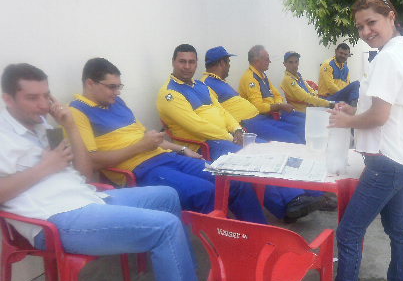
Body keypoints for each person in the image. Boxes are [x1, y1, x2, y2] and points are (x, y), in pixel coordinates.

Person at [0, 63, 229, 281]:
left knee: (167, 196)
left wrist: (70, 125)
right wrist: (45, 167)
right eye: (32, 98)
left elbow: (84, 175)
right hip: (55, 220)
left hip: (88, 197)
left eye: (46, 96)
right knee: (166, 227)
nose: (43, 105)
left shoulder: (44, 125)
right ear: (8, 99)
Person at [307, 0, 403, 281]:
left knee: (348, 232)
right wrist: (353, 112)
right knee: (396, 228)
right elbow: (383, 112)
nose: (365, 31)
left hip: (386, 162)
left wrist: (346, 121)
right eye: (360, 27)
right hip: (402, 156)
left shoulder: (389, 57)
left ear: (390, 16)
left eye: (371, 22)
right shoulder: (400, 50)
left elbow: (378, 117)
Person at [69, 57, 267, 223]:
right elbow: (92, 161)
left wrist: (181, 149)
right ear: (90, 84)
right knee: (206, 192)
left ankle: (261, 236)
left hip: (167, 157)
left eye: (118, 86)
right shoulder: (77, 112)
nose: (117, 92)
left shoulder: (116, 103)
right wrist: (141, 146)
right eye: (111, 87)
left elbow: (149, 140)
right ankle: (229, 247)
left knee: (231, 180)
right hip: (142, 170)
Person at [158, 44, 326, 222]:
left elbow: (223, 111)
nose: (187, 66)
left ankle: (297, 197)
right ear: (173, 62)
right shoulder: (169, 93)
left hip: (225, 136)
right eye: (182, 61)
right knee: (251, 159)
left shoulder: (200, 86)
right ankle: (290, 202)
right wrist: (230, 136)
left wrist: (237, 129)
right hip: (204, 145)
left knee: (267, 150)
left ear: (196, 63)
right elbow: (196, 126)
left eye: (191, 62)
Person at [201, 46, 303, 144]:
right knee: (293, 139)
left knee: (299, 131)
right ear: (222, 63)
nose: (229, 66)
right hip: (248, 123)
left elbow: (277, 95)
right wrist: (236, 130)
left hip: (259, 118)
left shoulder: (220, 81)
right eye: (228, 62)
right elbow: (215, 113)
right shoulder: (205, 84)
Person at [238, 45, 305, 142]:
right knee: (294, 137)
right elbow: (259, 107)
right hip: (259, 119)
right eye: (266, 59)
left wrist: (278, 105)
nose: (269, 61)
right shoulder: (250, 78)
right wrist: (279, 106)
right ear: (257, 61)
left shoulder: (262, 75)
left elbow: (277, 95)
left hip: (273, 114)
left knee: (305, 123)